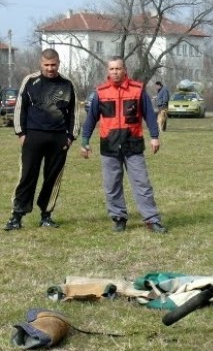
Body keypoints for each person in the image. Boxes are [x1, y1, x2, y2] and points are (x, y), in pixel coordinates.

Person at [81, 56, 167, 234]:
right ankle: (119, 218)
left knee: (142, 183)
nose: (115, 72)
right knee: (112, 185)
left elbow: (149, 115)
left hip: (132, 144)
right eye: (111, 69)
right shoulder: (101, 92)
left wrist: (154, 136)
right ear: (108, 71)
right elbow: (91, 119)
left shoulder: (137, 90)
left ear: (124, 70)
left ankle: (152, 220)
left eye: (118, 69)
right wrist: (85, 141)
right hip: (109, 145)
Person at [4, 48, 79, 231]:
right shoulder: (30, 81)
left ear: (59, 63)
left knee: (52, 179)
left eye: (53, 65)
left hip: (58, 139)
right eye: (46, 65)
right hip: (33, 137)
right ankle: (17, 216)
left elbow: (74, 113)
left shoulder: (67, 84)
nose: (50, 68)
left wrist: (70, 137)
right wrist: (21, 133)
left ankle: (46, 215)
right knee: (27, 176)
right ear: (41, 63)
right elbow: (20, 108)